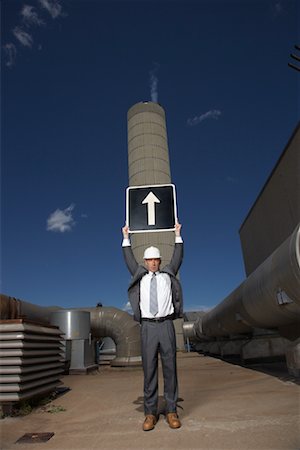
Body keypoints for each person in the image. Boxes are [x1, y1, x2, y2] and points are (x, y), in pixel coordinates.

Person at [122, 222, 184, 431]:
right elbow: (128, 259)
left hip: (166, 325)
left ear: (159, 260)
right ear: (145, 261)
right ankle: (150, 413)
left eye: (156, 259)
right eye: (149, 259)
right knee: (149, 370)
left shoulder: (168, 274)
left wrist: (177, 234)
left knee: (170, 369)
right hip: (148, 327)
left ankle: (171, 410)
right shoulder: (139, 277)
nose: (153, 263)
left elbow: (178, 257)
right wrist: (126, 238)